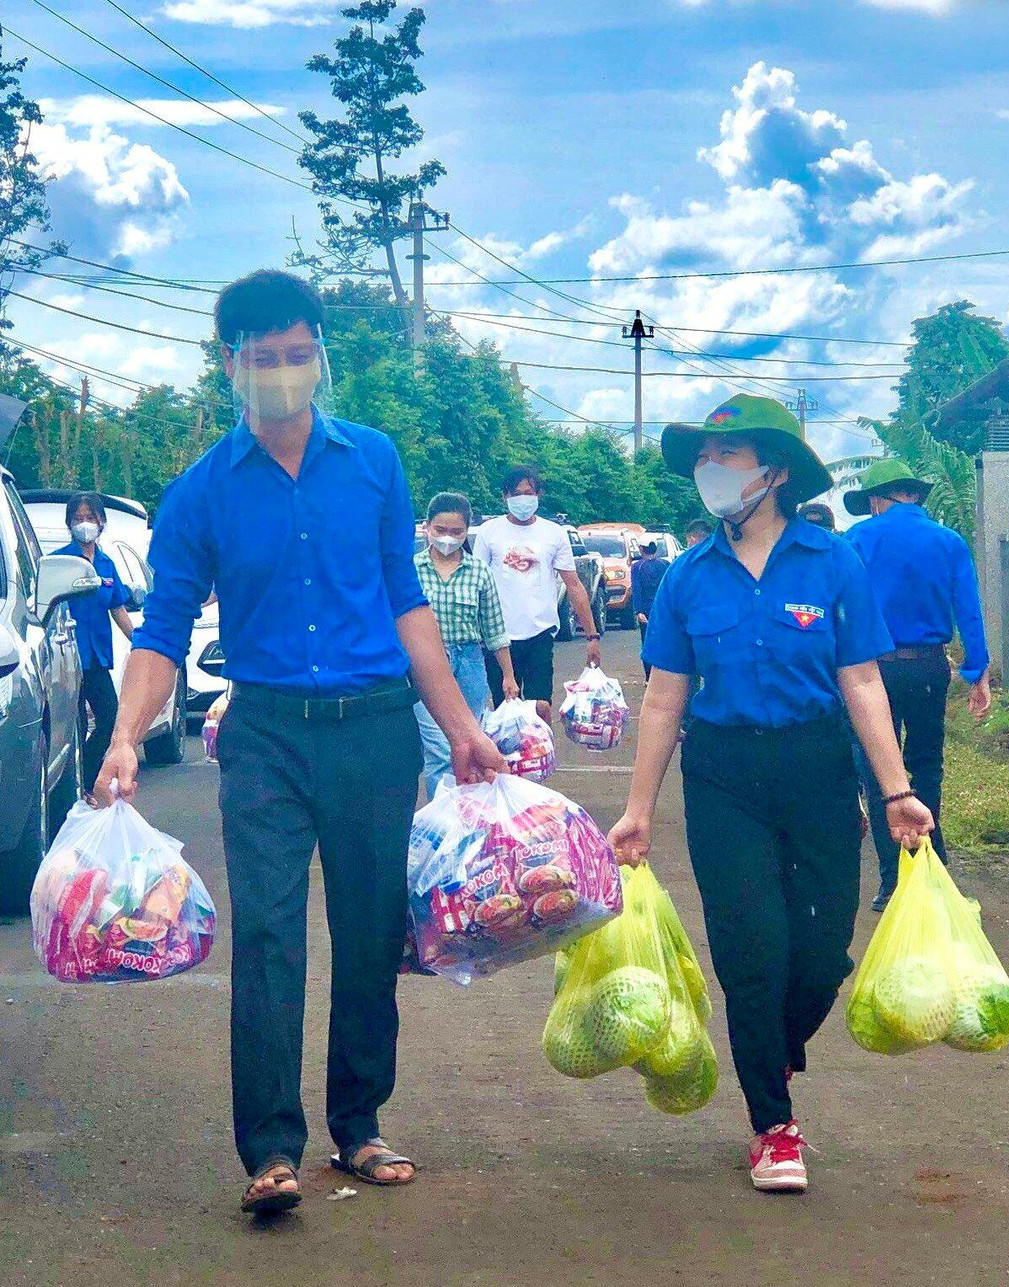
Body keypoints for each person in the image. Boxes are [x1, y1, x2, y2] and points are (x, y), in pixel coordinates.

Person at [93, 270, 507, 1218]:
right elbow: (161, 631)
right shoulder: (197, 494)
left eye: (296, 355)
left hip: (372, 729)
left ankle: (358, 1125)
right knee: (272, 934)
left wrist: (462, 728)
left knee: (367, 932)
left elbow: (406, 604)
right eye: (260, 358)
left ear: (320, 353)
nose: (281, 373)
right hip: (266, 734)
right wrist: (123, 736)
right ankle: (273, 1146)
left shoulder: (374, 461)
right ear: (229, 365)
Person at [607, 394, 933, 1196]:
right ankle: (773, 1122)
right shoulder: (686, 577)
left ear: (775, 472)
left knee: (819, 954)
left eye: (731, 456)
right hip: (722, 777)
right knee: (752, 947)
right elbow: (662, 698)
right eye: (704, 458)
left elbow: (860, 679)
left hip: (817, 768)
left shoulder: (832, 562)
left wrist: (897, 789)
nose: (711, 472)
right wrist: (638, 809)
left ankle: (775, 1041)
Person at [842, 458, 991, 911]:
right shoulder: (948, 541)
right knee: (926, 764)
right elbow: (969, 609)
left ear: (876, 499)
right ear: (915, 496)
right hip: (928, 667)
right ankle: (932, 866)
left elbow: (841, 612)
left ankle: (893, 882)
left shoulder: (856, 540)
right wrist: (977, 671)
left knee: (876, 768)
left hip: (871, 673)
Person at [472, 466, 601, 719]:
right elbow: (478, 583)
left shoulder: (553, 533)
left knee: (540, 707)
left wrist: (592, 635)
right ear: (505, 497)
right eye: (516, 493)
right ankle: (508, 759)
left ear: (538, 495)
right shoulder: (489, 532)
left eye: (528, 492)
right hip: (499, 639)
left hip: (539, 633)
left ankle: (543, 755)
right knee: (506, 711)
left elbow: (574, 585)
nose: (523, 499)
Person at [414, 492, 519, 796]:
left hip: (469, 663)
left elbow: (494, 628)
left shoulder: (479, 572)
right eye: (441, 530)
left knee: (470, 744)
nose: (447, 538)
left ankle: (466, 818)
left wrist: (508, 675)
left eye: (456, 532)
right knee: (439, 748)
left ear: (466, 532)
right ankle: (441, 820)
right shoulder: (411, 570)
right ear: (427, 527)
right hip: (425, 663)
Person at [54, 493, 134, 797]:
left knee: (109, 719)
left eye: (90, 517)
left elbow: (118, 609)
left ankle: (85, 781)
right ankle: (66, 792)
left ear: (101, 522)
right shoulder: (61, 562)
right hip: (66, 658)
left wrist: (140, 642)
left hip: (97, 658)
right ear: (69, 523)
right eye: (78, 518)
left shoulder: (106, 564)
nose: (84, 524)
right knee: (70, 727)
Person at [630, 538, 671, 680]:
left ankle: (649, 677)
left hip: (647, 610)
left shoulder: (637, 566)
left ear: (642, 549)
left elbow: (636, 589)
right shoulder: (665, 564)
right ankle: (665, 674)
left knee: (647, 642)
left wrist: (639, 610)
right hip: (664, 609)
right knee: (666, 640)